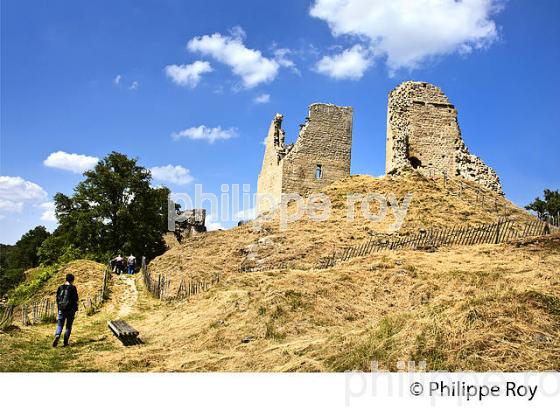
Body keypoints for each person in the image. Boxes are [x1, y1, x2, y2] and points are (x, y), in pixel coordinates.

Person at [52, 273, 79, 347]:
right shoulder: (73, 288)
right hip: (71, 310)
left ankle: (57, 335)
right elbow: (76, 299)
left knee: (60, 324)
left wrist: (59, 308)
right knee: (68, 326)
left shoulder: (60, 287)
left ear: (66, 279)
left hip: (61, 309)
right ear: (72, 280)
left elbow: (57, 298)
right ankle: (65, 342)